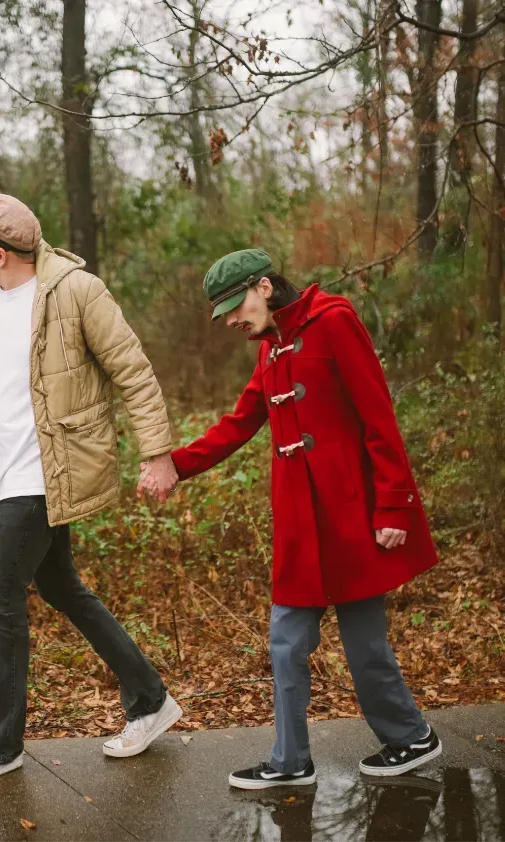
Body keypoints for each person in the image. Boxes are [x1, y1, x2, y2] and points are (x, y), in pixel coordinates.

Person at [0, 192, 181, 786]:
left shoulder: (76, 292)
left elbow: (133, 369)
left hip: (50, 474)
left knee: (0, 597)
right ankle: (151, 700)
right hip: (7, 477)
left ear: (0, 253)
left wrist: (158, 453)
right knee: (62, 586)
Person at [138, 248, 441, 789]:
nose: (232, 320)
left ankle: (410, 737)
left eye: (235, 306)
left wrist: (393, 504)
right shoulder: (272, 348)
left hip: (353, 516)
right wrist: (173, 466)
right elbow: (237, 424)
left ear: (264, 287)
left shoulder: (335, 322)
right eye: (225, 312)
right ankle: (290, 760)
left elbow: (378, 416)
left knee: (365, 644)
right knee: (286, 639)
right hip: (302, 522)